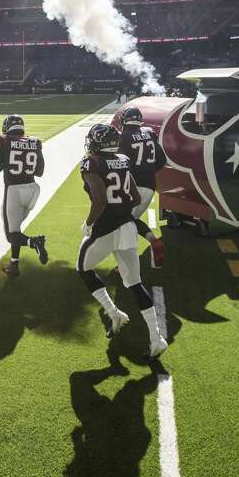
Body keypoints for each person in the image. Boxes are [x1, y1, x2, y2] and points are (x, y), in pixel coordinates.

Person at [77, 123, 168, 359]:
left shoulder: (92, 163)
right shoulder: (124, 160)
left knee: (83, 269)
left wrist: (89, 223)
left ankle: (114, 312)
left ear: (95, 142)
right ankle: (156, 339)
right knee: (135, 284)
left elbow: (99, 200)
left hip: (106, 228)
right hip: (127, 226)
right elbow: (135, 196)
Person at [0, 114, 47, 277]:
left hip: (14, 190)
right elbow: (40, 172)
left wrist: (6, 159)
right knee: (16, 230)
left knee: (11, 235)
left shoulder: (4, 140)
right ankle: (14, 265)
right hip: (33, 190)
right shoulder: (34, 141)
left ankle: (33, 242)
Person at [117, 106, 168, 268]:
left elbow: (120, 164)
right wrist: (148, 172)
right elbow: (162, 160)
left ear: (125, 120)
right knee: (131, 220)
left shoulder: (123, 137)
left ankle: (126, 265)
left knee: (122, 224)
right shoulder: (149, 133)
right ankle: (154, 240)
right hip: (150, 185)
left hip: (133, 187)